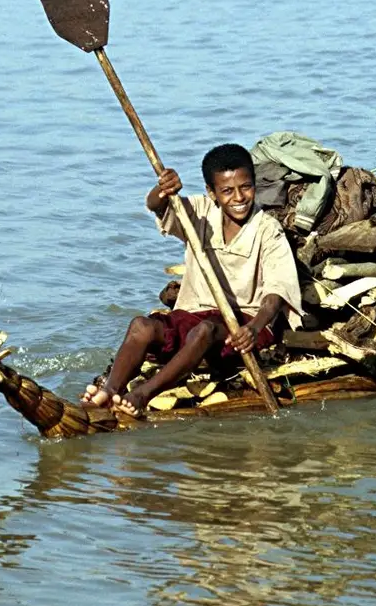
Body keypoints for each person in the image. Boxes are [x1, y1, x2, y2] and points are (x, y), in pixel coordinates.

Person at [82, 143, 303, 418]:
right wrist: (163, 189)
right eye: (227, 191)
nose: (239, 197)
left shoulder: (268, 230)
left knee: (205, 331)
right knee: (141, 326)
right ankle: (110, 390)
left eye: (245, 187)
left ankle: (142, 394)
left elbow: (275, 293)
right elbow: (156, 206)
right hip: (195, 314)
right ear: (212, 193)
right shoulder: (200, 212)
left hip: (243, 324)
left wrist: (255, 327)